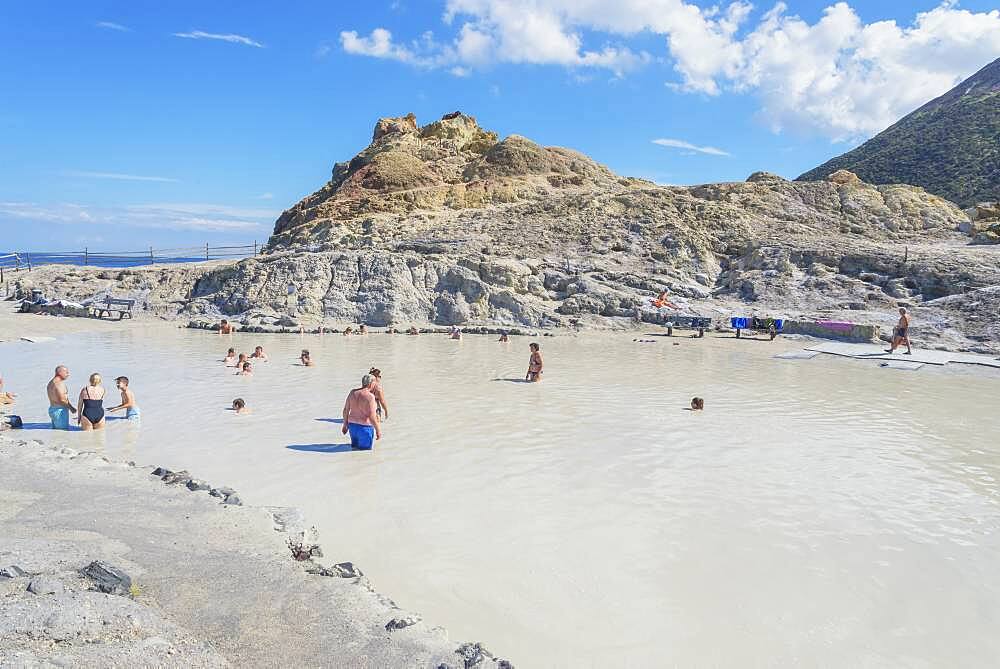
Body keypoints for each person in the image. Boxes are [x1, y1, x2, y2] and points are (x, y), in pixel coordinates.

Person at [341, 374, 382, 450]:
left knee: (354, 449)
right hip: (364, 428)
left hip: (352, 426)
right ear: (371, 383)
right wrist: (378, 430)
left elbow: (346, 410)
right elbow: (372, 416)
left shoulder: (352, 393)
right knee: (364, 454)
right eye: (375, 383)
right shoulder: (370, 397)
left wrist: (345, 425)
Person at [46, 366, 76, 430]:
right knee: (63, 433)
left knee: (57, 433)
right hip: (60, 411)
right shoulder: (59, 384)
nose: (68, 374)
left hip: (53, 409)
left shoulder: (51, 382)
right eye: (66, 372)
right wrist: (71, 408)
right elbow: (62, 400)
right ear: (59, 372)